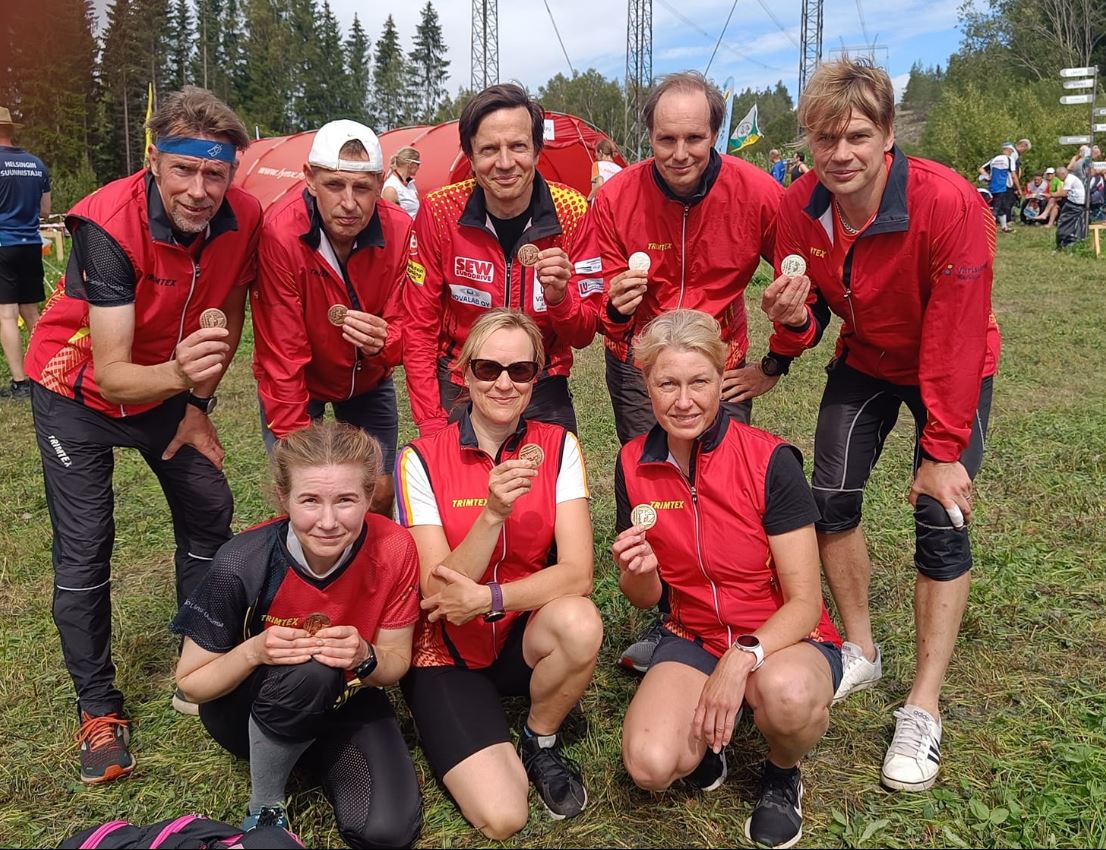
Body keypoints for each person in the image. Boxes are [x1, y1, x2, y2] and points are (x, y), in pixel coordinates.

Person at [739, 58, 1001, 793]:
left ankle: (923, 705)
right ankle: (862, 648)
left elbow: (955, 334)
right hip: (867, 359)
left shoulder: (948, 203)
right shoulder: (800, 206)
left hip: (951, 362)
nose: (841, 154)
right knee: (829, 498)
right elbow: (815, 310)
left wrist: (942, 452)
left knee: (941, 515)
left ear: (888, 134)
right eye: (825, 139)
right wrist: (788, 334)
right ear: (808, 143)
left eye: (857, 135)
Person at [23, 87, 263, 782]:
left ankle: (200, 654)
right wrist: (179, 379)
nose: (199, 191)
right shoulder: (107, 223)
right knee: (87, 544)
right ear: (153, 159)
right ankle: (98, 708)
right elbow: (114, 373)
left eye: (215, 174)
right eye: (183, 170)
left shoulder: (244, 216)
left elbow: (230, 306)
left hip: (165, 385)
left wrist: (198, 403)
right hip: (79, 389)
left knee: (209, 507)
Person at [613, 310, 842, 850]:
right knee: (650, 764)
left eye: (699, 382)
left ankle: (782, 772)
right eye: (667, 384)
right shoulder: (632, 463)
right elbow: (646, 598)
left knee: (786, 695)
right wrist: (636, 572)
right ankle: (713, 733)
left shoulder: (770, 460)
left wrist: (742, 658)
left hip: (782, 638)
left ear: (722, 379)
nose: (683, 401)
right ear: (646, 384)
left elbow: (805, 602)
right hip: (693, 634)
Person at [584, 70, 782, 671]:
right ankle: (670, 620)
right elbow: (593, 300)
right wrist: (613, 307)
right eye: (665, 139)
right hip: (639, 364)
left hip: (722, 365)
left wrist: (776, 361)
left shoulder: (757, 191)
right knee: (655, 484)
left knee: (730, 491)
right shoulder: (616, 197)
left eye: (694, 138)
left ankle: (745, 615)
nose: (679, 153)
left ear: (716, 133)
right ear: (647, 135)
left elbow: (805, 280)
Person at [395, 309, 602, 839]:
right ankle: (461, 717)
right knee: (504, 816)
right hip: (447, 649)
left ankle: (539, 737)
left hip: (518, 634)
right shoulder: (420, 458)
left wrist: (491, 598)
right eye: (488, 369)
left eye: (520, 370)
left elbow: (578, 574)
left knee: (580, 621)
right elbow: (436, 592)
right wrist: (491, 515)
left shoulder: (559, 446)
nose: (504, 384)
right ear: (462, 374)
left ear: (537, 377)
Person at [172, 421, 422, 846]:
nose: (328, 521)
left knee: (388, 834)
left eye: (346, 500)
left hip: (344, 701)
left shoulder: (395, 547)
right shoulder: (241, 561)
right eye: (310, 500)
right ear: (283, 497)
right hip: (249, 712)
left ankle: (311, 755)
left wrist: (365, 654)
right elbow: (192, 684)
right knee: (312, 668)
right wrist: (254, 652)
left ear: (369, 497)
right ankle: (265, 804)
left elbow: (395, 662)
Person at [402, 83, 601, 438]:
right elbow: (418, 327)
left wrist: (560, 299)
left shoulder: (572, 211)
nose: (505, 163)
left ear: (537, 150)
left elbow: (585, 333)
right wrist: (431, 422)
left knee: (554, 475)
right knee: (453, 475)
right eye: (489, 149)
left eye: (518, 146)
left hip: (540, 380)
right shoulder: (440, 211)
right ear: (470, 155)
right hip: (462, 377)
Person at [253, 120, 410, 515]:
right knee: (303, 494)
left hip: (368, 380)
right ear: (310, 178)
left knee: (379, 491)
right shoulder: (281, 234)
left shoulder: (400, 230)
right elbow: (282, 352)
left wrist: (385, 342)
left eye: (362, 188)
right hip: (300, 381)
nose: (349, 203)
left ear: (380, 183)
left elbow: (409, 326)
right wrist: (301, 457)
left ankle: (373, 556)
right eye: (334, 185)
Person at [0, 105, 50, 399]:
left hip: (2, 245)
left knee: (6, 315)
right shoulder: (36, 164)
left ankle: (20, 382)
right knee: (31, 312)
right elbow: (45, 210)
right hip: (31, 244)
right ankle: (45, 373)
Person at [979, 142, 1019, 232]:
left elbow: (981, 169)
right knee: (997, 208)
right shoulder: (1009, 159)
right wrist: (1018, 188)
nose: (1011, 153)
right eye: (1011, 151)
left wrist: (988, 177)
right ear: (1008, 150)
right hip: (1004, 187)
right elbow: (1013, 175)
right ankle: (987, 228)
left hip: (992, 186)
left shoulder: (994, 159)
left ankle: (1004, 227)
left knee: (1001, 207)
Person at [381, 145, 420, 219]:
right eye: (418, 164)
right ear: (410, 164)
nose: (419, 167)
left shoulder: (410, 184)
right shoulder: (391, 189)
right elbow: (390, 219)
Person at [1054, 164, 1087, 248]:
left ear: (1062, 174)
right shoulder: (1071, 178)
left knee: (1063, 221)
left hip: (1074, 204)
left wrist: (1050, 195)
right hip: (1075, 202)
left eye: (1058, 176)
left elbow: (1063, 193)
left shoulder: (1069, 179)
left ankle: (1062, 241)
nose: (1058, 178)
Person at [587, 138, 623, 202]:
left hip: (600, 203)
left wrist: (588, 199)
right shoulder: (620, 170)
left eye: (596, 152)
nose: (596, 155)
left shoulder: (597, 165)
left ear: (600, 151)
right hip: (614, 204)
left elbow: (599, 183)